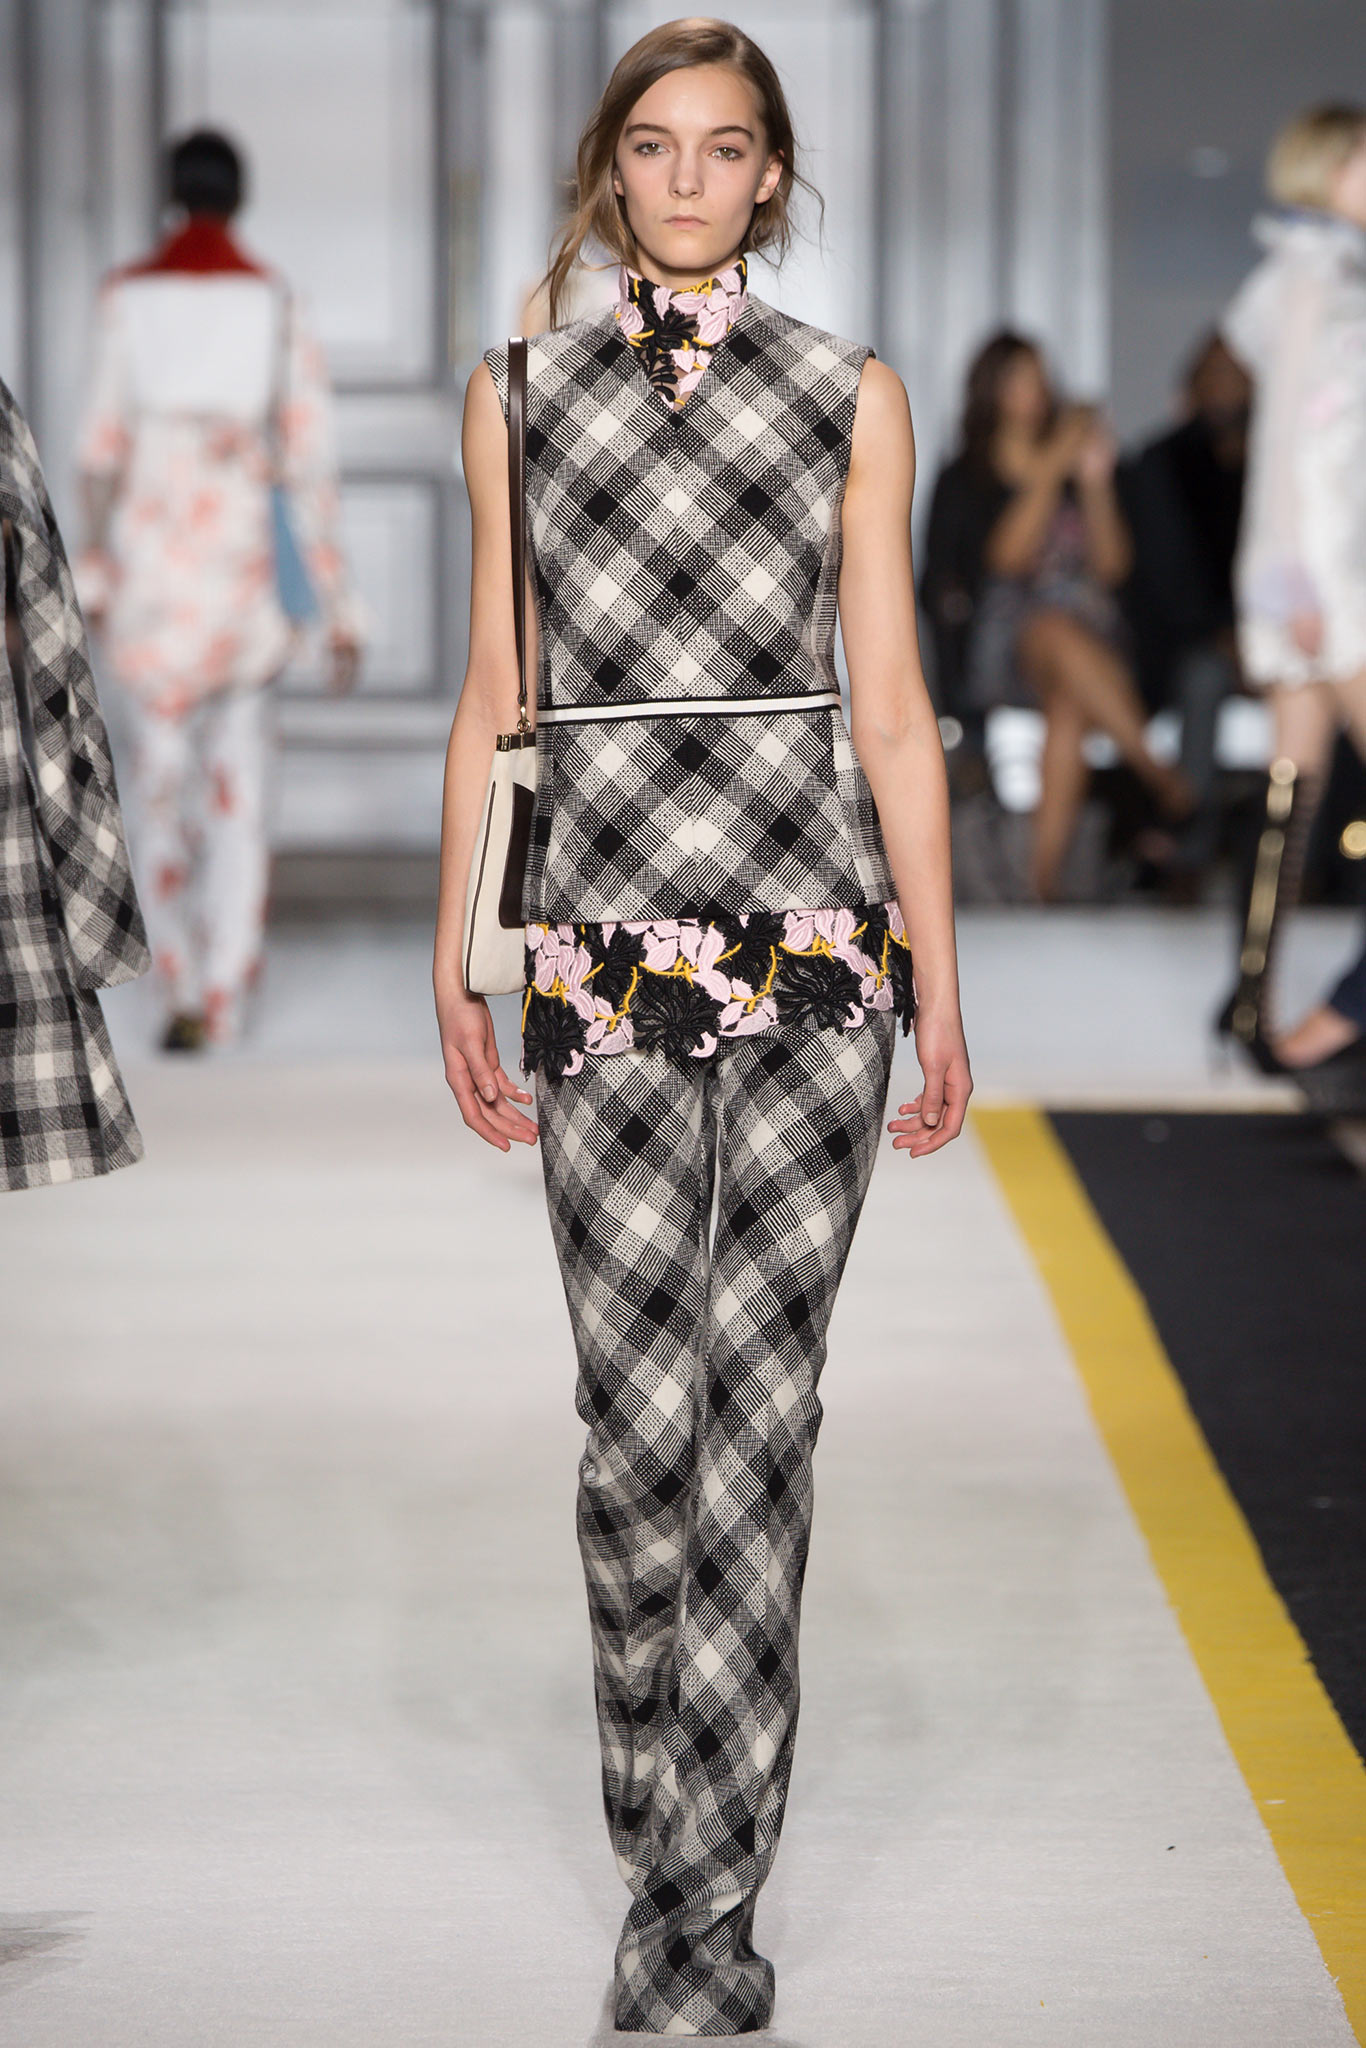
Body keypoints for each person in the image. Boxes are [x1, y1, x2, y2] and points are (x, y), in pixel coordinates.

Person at [433, 19, 971, 2035]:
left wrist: (937, 978)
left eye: (722, 148)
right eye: (652, 147)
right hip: (599, 948)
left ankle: (692, 1921)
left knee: (758, 1418)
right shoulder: (517, 397)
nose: (684, 179)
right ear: (608, 170)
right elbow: (495, 695)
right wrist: (461, 956)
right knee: (632, 1431)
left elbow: (892, 702)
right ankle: (658, 1807)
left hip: (814, 942)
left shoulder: (849, 393)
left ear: (769, 175)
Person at [75, 128, 365, 1051]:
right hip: (239, 567)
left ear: (170, 192)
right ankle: (228, 990)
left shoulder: (126, 298)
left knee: (157, 786)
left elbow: (97, 454)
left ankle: (178, 987)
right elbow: (310, 462)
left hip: (152, 569)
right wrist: (339, 606)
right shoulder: (272, 300)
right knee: (240, 788)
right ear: (238, 198)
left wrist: (95, 569)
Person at [923, 332, 1192, 901]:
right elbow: (1006, 558)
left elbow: (1114, 567)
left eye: (1041, 376)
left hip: (1096, 645)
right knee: (1050, 628)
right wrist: (1050, 465)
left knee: (1067, 705)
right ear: (992, 388)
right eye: (1021, 377)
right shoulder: (970, 475)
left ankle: (1042, 885)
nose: (1037, 390)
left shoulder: (1077, 463)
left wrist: (1094, 483)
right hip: (1009, 643)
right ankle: (1160, 776)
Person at [1216, 104, 1366, 1083]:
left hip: (1316, 574)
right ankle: (1327, 1009)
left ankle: (1249, 1001)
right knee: (1292, 794)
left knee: (1291, 792)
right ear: (1325, 168)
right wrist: (1296, 585)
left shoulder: (1323, 272)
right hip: (1329, 580)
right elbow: (1287, 452)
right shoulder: (1314, 276)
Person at [1, 379, 149, 1191]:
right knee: (222, 798)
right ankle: (212, 992)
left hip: (169, 563)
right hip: (192, 562)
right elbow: (51, 648)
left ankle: (208, 990)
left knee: (197, 794)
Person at [1117, 333, 1250, 893]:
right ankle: (1188, 854)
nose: (1224, 387)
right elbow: (1165, 577)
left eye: (1235, 374)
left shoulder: (1279, 461)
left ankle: (1322, 864)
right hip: (1182, 644)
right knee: (1204, 677)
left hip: (1274, 636)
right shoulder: (1162, 462)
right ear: (1192, 388)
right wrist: (1224, 635)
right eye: (1212, 375)